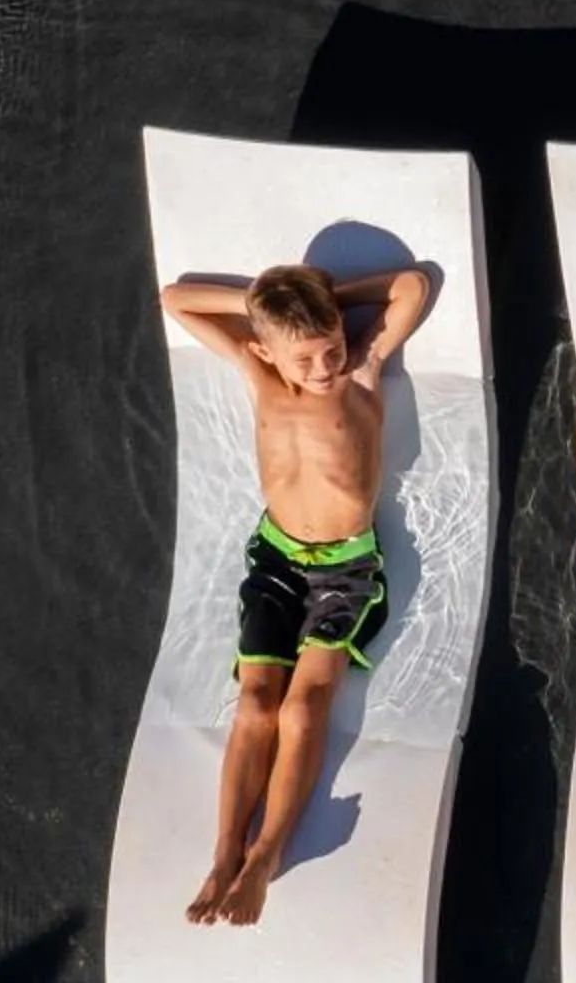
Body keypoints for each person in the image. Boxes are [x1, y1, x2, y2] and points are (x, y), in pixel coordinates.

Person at [162, 259, 435, 926]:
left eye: (332, 347)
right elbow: (174, 299)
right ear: (263, 348)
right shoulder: (259, 372)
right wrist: (261, 306)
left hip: (345, 568)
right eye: (305, 357)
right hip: (277, 558)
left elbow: (412, 286)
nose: (322, 366)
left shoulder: (361, 372)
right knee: (255, 703)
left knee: (303, 706)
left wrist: (329, 300)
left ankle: (265, 855)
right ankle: (225, 853)